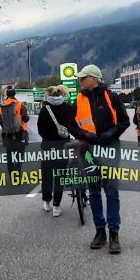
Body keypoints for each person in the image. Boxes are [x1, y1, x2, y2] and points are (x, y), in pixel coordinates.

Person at [66, 64, 129, 254]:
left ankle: (114, 234)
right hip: (88, 150)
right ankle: (99, 231)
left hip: (110, 149)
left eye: (82, 78)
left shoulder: (111, 97)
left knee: (111, 191)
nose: (79, 81)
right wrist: (87, 135)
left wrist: (110, 134)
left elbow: (124, 121)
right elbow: (71, 126)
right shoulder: (77, 100)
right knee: (93, 191)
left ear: (93, 78)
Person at [36, 85, 73, 217]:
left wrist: (47, 137)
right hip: (64, 147)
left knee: (47, 176)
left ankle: (47, 201)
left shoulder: (44, 109)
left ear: (50, 96)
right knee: (60, 176)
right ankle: (57, 205)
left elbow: (40, 129)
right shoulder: (68, 108)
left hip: (47, 147)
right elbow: (72, 126)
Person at [0, 86, 30, 173]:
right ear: (15, 94)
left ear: (7, 94)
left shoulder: (2, 105)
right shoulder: (19, 104)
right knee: (19, 155)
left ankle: (12, 173)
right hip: (20, 133)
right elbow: (26, 119)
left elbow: (1, 121)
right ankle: (18, 172)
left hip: (7, 133)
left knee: (9, 155)